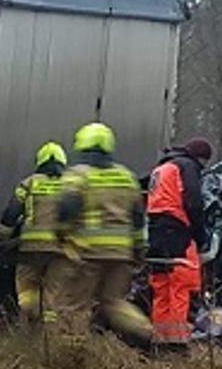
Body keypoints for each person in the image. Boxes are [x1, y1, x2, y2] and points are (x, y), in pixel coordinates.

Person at [50, 123, 154, 346]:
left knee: (72, 306)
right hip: (121, 255)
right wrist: (138, 250)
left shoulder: (77, 176)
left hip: (88, 254)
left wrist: (62, 237)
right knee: (114, 303)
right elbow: (138, 219)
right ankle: (148, 333)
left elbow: (66, 209)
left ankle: (72, 352)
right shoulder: (127, 177)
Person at [146, 138, 213, 352]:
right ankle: (176, 343)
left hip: (156, 232)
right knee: (180, 285)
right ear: (201, 159)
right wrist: (200, 235)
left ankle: (160, 340)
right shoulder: (188, 166)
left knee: (161, 286)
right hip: (176, 231)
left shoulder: (163, 167)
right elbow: (193, 202)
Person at [0, 141, 70, 325]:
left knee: (28, 289)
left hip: (30, 249)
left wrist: (1, 238)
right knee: (54, 295)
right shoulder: (70, 186)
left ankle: (31, 323)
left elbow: (11, 213)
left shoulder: (29, 183)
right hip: (61, 250)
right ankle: (52, 333)